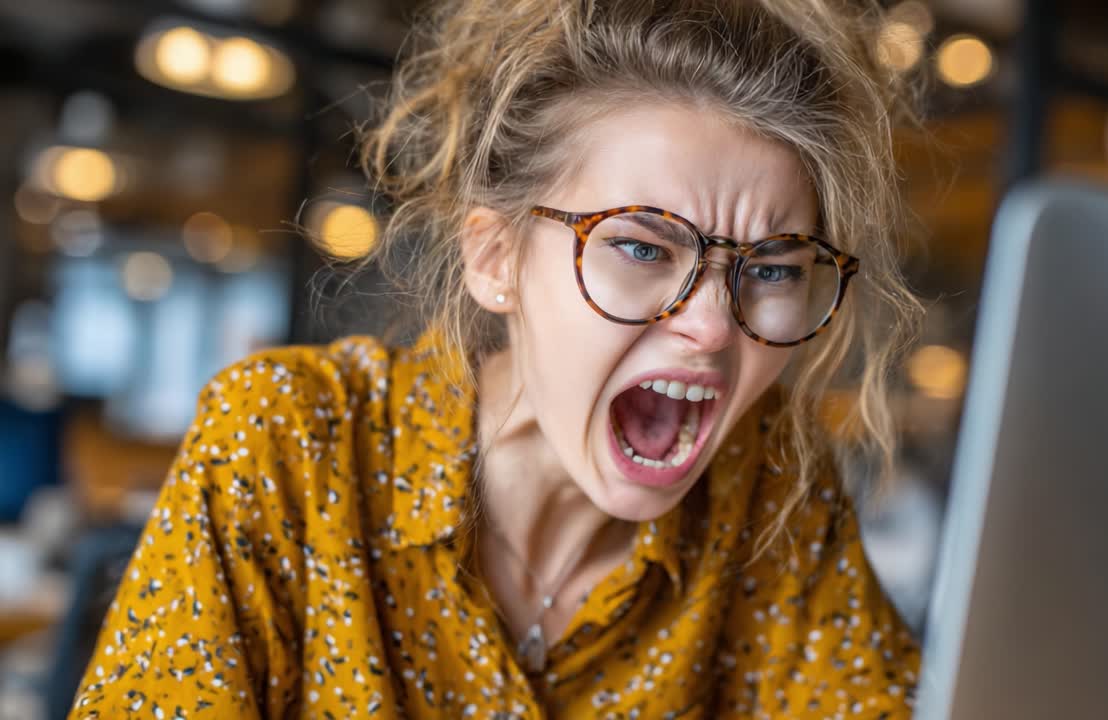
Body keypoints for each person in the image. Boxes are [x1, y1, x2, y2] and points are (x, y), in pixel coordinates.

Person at [69, 0, 924, 716]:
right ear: (495, 258)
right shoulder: (287, 444)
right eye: (639, 248)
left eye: (771, 269)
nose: (711, 326)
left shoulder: (770, 487)